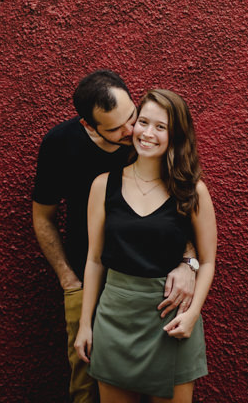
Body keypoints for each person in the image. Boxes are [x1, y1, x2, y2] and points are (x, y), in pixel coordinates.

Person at [33, 72, 197, 403]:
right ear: (88, 126)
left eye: (132, 117)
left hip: (148, 284)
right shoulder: (60, 144)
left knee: (162, 380)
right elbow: (43, 217)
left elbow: (182, 201)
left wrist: (188, 260)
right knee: (85, 382)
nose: (132, 131)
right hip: (87, 275)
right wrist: (69, 280)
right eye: (116, 128)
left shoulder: (147, 139)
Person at [74, 89, 217, 403]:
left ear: (175, 135)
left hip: (170, 319)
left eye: (161, 127)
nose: (148, 133)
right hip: (114, 318)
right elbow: (95, 260)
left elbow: (207, 262)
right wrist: (86, 325)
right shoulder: (103, 185)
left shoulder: (192, 190)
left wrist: (193, 314)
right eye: (143, 122)